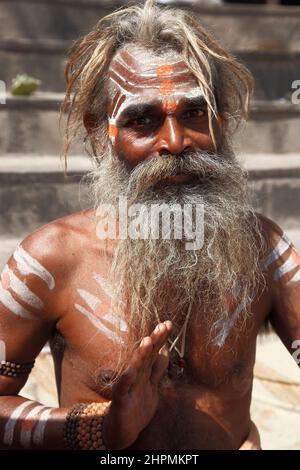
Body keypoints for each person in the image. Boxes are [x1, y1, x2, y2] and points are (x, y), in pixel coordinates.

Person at [0, 0, 299, 450]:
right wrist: (95, 428)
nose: (176, 142)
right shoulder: (49, 261)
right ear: (102, 133)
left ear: (221, 121)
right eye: (143, 120)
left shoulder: (265, 250)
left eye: (194, 114)